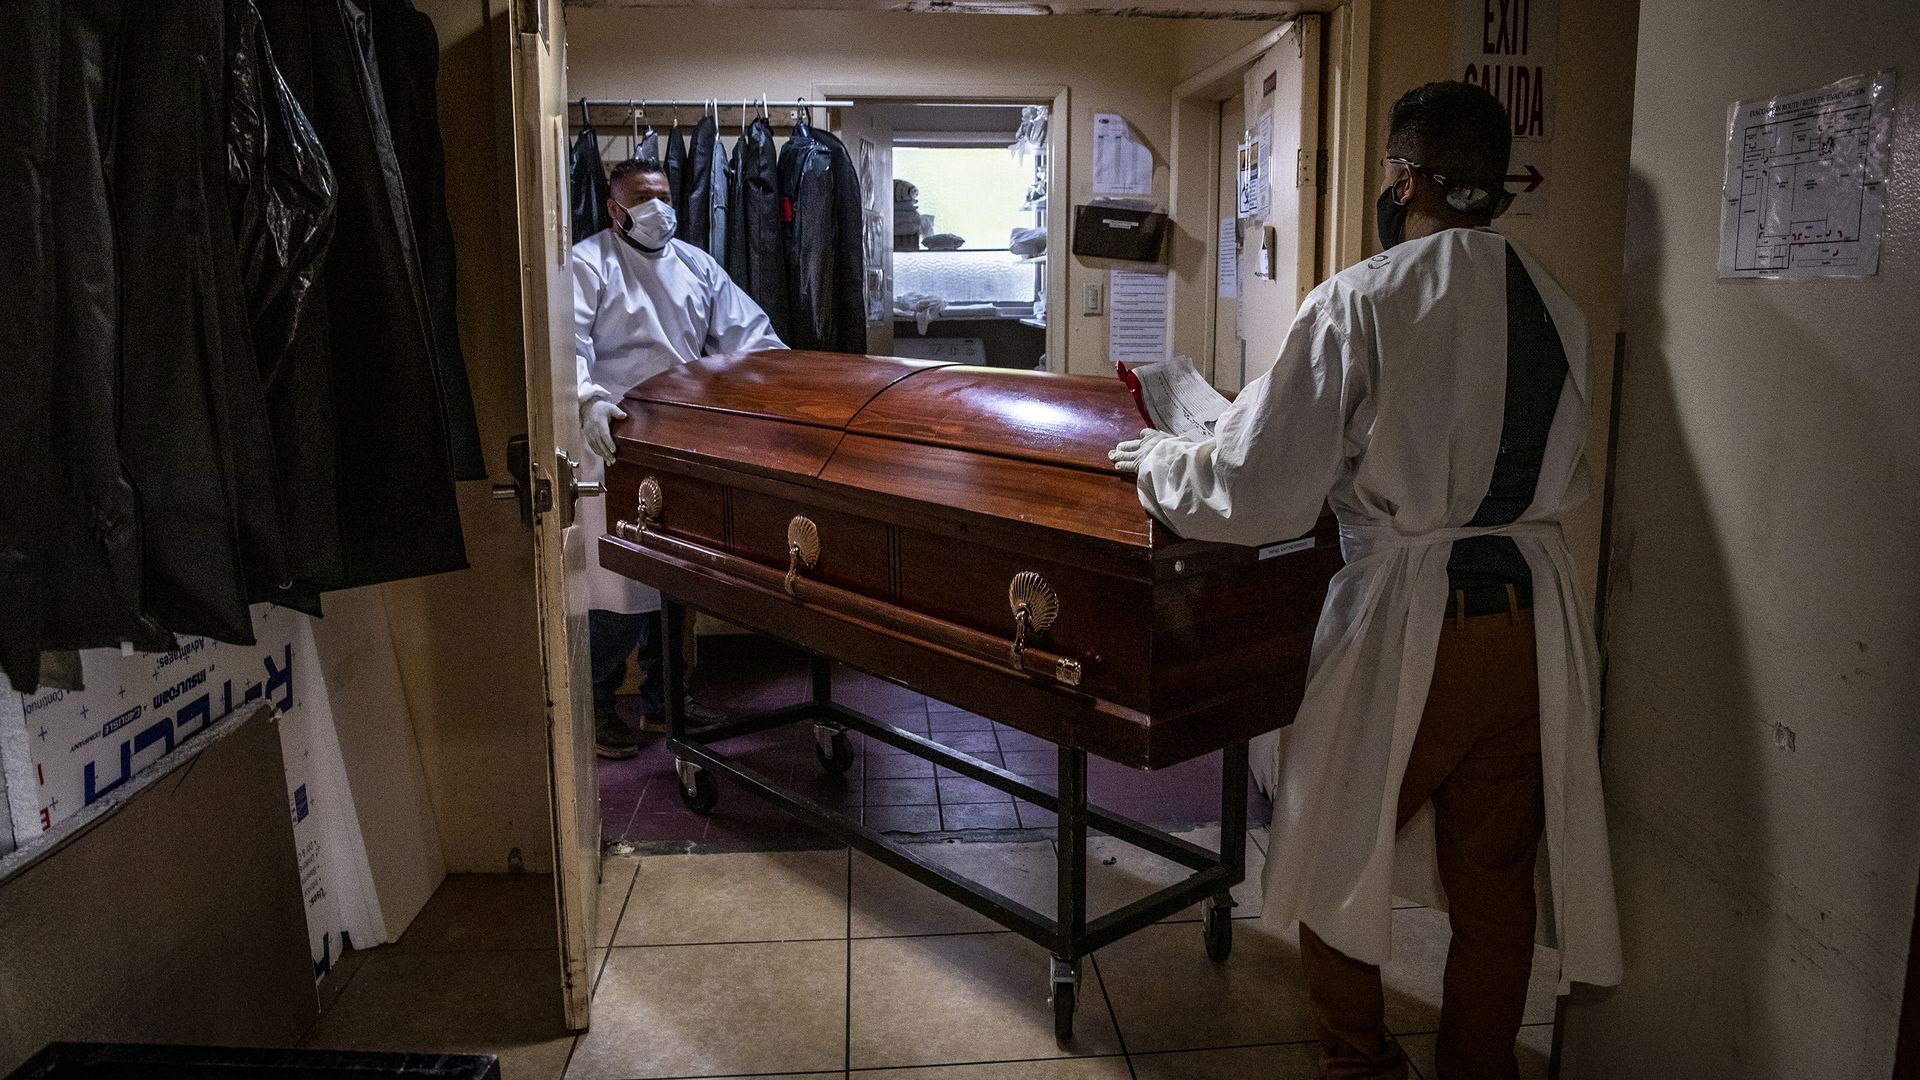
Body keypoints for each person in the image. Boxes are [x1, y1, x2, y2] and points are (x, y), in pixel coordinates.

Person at [1111, 82, 1621, 1080]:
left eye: (1395, 177)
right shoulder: (1559, 305)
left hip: (1413, 625)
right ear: (1497, 184)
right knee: (1496, 883)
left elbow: (1259, 492)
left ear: (1408, 179)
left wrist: (1159, 462)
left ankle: (1361, 1065)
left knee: (1330, 846)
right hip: (1534, 623)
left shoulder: (1364, 298)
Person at [574, 157, 785, 759]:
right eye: (642, 196)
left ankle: (667, 702)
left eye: (663, 195)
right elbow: (570, 346)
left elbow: (750, 335)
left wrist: (791, 381)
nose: (657, 208)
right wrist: (587, 401)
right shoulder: (590, 265)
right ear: (615, 207)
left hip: (681, 441)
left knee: (675, 581)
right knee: (614, 588)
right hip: (613, 440)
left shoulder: (696, 265)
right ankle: (599, 706)